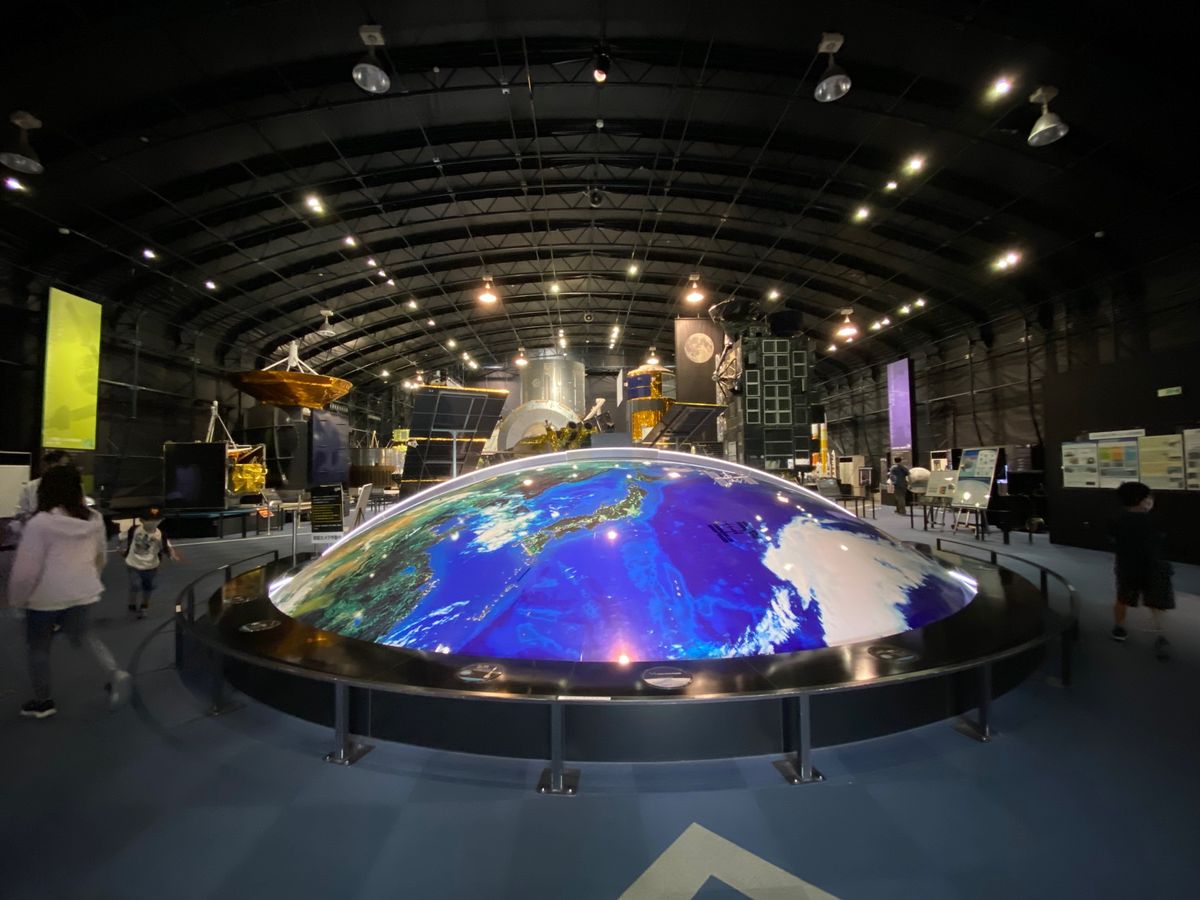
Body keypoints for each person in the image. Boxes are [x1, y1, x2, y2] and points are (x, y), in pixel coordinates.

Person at [7, 465, 131, 718]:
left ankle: (43, 702)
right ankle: (115, 673)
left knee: (39, 648)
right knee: (84, 636)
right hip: (82, 592)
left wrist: (17, 600)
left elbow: (26, 572)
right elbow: (100, 557)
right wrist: (89, 580)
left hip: (44, 599)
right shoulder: (94, 519)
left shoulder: (40, 523)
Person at [1110, 481, 1174, 660]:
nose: (1150, 500)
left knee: (1123, 597)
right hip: (1152, 566)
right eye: (1147, 497)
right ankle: (1160, 634)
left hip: (1128, 565)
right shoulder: (1154, 520)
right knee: (1155, 602)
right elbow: (1162, 542)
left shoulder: (1118, 519)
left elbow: (1113, 540)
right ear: (1140, 500)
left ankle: (1119, 627)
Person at [123, 507, 179, 618]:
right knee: (135, 585)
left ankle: (144, 606)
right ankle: (132, 605)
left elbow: (166, 546)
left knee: (147, 587)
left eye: (156, 521)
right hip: (133, 564)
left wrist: (171, 555)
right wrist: (122, 549)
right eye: (149, 520)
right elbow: (126, 539)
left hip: (150, 566)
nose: (152, 523)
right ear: (142, 520)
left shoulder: (160, 534)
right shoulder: (134, 530)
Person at [15, 449, 72, 522]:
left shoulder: (73, 487)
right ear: (46, 467)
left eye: (67, 466)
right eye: (61, 467)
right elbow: (20, 514)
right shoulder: (31, 487)